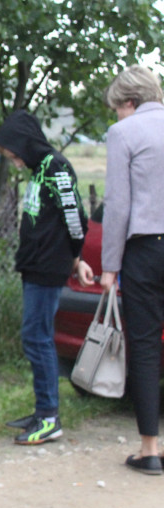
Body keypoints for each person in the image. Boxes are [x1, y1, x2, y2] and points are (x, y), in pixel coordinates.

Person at [0, 110, 92, 445]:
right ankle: (42, 412)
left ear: (24, 142)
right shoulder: (39, 170)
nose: (14, 160)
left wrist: (76, 256)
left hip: (49, 267)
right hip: (35, 265)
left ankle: (50, 416)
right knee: (36, 337)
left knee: (37, 338)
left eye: (13, 153)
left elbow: (75, 216)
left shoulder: (56, 167)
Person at [99, 65, 164, 475]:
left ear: (129, 102)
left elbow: (118, 205)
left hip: (146, 248)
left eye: (117, 108)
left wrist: (109, 266)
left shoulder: (124, 133)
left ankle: (150, 448)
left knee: (144, 345)